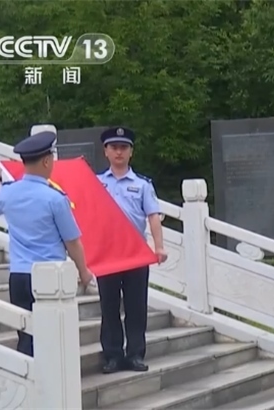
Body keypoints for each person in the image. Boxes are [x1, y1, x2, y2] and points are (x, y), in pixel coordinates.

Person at [0, 131, 93, 356]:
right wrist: (83, 271)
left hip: (19, 274)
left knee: (26, 335)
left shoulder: (9, 193)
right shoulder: (55, 198)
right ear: (46, 161)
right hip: (50, 275)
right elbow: (72, 241)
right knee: (52, 337)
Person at [96, 126, 167, 374]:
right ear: (106, 151)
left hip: (135, 253)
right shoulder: (96, 183)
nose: (119, 152)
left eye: (123, 147)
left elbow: (153, 216)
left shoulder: (142, 185)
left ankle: (135, 353)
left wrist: (159, 246)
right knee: (109, 306)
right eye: (114, 147)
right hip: (107, 254)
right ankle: (113, 355)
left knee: (136, 306)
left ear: (131, 152)